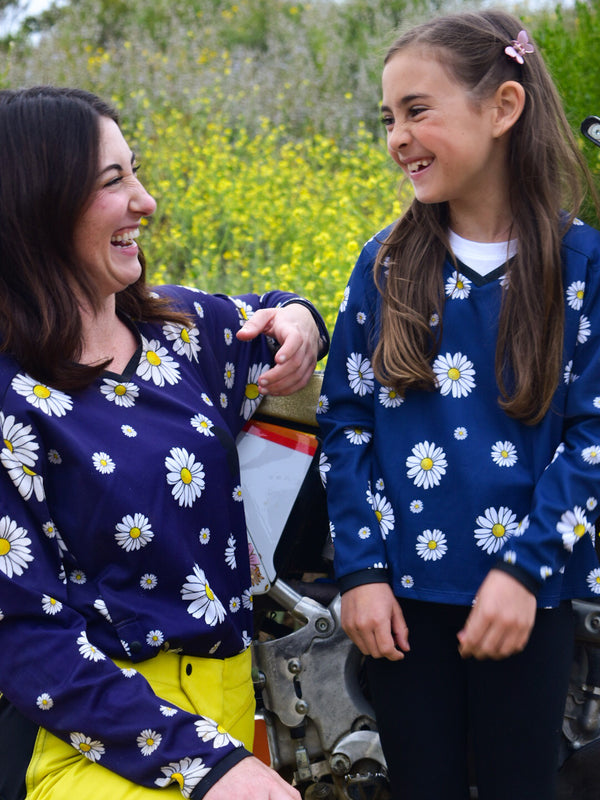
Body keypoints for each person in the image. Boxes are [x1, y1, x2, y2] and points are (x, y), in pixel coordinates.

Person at [0, 86, 329, 800]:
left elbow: (277, 309)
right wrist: (207, 764)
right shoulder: (11, 398)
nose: (145, 201)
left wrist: (301, 323)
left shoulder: (181, 333)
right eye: (112, 181)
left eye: (135, 171)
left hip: (229, 708)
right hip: (93, 738)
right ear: (38, 206)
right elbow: (23, 636)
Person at [318, 10, 600, 800]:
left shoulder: (582, 266)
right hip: (402, 607)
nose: (397, 136)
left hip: (526, 601)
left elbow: (594, 435)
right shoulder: (385, 264)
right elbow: (346, 422)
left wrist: (523, 569)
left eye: (417, 110)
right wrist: (360, 572)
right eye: (387, 118)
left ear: (503, 109)